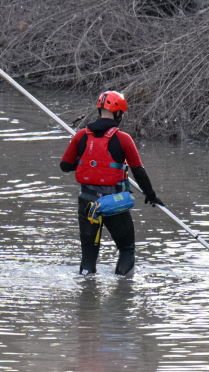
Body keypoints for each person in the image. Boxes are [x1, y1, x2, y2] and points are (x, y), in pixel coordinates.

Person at [60, 91, 164, 276]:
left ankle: (86, 287)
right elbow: (138, 171)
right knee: (126, 249)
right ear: (118, 114)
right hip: (113, 203)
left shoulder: (81, 136)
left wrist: (85, 161)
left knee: (88, 256)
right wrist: (151, 195)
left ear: (100, 110)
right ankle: (123, 289)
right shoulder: (123, 139)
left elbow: (65, 166)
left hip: (86, 203)